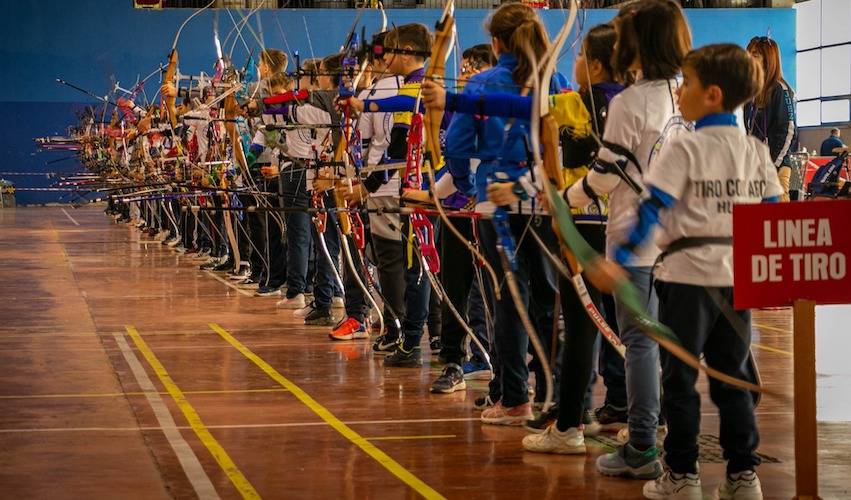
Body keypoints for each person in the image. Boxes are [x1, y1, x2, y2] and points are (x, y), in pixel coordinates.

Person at [601, 43, 780, 500]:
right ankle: (743, 476)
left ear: (714, 94)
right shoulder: (756, 150)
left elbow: (649, 213)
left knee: (680, 381)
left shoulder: (684, 149)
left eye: (690, 83)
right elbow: (773, 220)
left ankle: (682, 475)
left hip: (684, 280)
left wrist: (618, 263)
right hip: (735, 277)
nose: (680, 91)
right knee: (732, 377)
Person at [745, 36, 798, 201]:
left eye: (755, 55)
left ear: (768, 59)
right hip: (756, 168)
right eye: (749, 53)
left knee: (779, 220)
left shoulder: (780, 89)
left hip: (777, 167)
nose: (749, 58)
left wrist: (773, 165)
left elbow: (788, 130)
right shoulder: (752, 92)